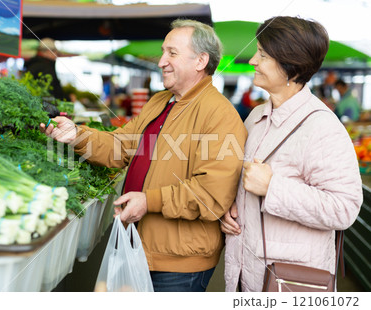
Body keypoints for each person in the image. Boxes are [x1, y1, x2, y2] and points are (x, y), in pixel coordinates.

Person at [41, 19, 247, 292]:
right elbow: (121, 147)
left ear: (200, 61)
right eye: (162, 51)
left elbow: (211, 194)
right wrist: (77, 135)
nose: (161, 61)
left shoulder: (219, 115)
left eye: (172, 53)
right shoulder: (160, 102)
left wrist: (149, 201)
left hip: (179, 261)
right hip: (139, 246)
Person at [221, 16, 362, 292]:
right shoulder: (256, 117)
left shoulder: (322, 127)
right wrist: (231, 209)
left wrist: (272, 187)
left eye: (261, 54)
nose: (252, 61)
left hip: (290, 282)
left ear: (289, 65)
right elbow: (247, 181)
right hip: (243, 275)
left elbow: (344, 208)